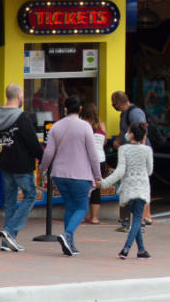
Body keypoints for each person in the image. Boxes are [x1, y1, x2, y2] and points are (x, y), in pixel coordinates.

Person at [40, 95, 103, 256]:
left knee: (70, 206)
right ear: (80, 109)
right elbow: (93, 155)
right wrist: (98, 175)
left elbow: (48, 152)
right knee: (82, 207)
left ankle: (70, 244)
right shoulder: (85, 127)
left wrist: (42, 169)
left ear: (65, 109)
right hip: (80, 174)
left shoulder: (56, 127)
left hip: (59, 174)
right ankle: (67, 235)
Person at [0, 83, 44, 252]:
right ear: (18, 96)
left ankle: (7, 242)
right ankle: (10, 231)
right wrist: (43, 158)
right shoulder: (21, 116)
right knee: (31, 194)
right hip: (21, 163)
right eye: (22, 95)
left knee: (10, 200)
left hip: (5, 161)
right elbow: (31, 141)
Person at [101, 122, 154, 259]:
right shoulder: (147, 150)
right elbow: (149, 170)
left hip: (129, 187)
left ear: (131, 134)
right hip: (142, 186)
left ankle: (139, 249)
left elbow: (120, 172)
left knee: (135, 218)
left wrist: (104, 183)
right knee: (137, 218)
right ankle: (128, 249)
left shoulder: (123, 149)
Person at [111, 91, 151, 229]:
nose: (112, 105)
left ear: (119, 102)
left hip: (136, 154)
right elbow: (123, 130)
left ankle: (143, 217)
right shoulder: (124, 114)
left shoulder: (135, 112)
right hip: (130, 151)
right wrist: (118, 140)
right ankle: (136, 218)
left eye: (113, 103)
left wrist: (140, 151)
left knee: (138, 184)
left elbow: (143, 130)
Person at [81, 102, 108, 225]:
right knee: (97, 188)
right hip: (101, 159)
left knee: (84, 187)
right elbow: (104, 141)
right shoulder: (102, 124)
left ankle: (81, 215)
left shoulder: (83, 124)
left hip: (87, 160)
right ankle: (95, 218)